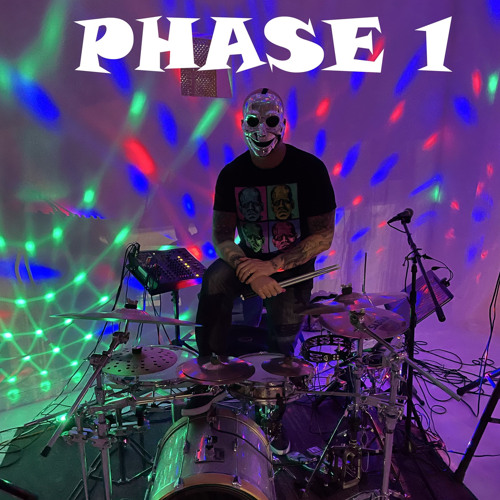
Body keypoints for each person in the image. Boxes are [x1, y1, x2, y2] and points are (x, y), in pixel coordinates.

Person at [188, 88, 337, 453]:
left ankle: (272, 411)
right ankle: (210, 375)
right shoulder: (232, 173)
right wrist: (250, 269)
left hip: (291, 266)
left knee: (283, 331)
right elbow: (222, 236)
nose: (261, 130)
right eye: (253, 122)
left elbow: (323, 236)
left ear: (283, 124)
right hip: (249, 262)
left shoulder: (310, 169)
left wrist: (272, 267)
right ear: (243, 125)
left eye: (270, 121)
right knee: (214, 280)